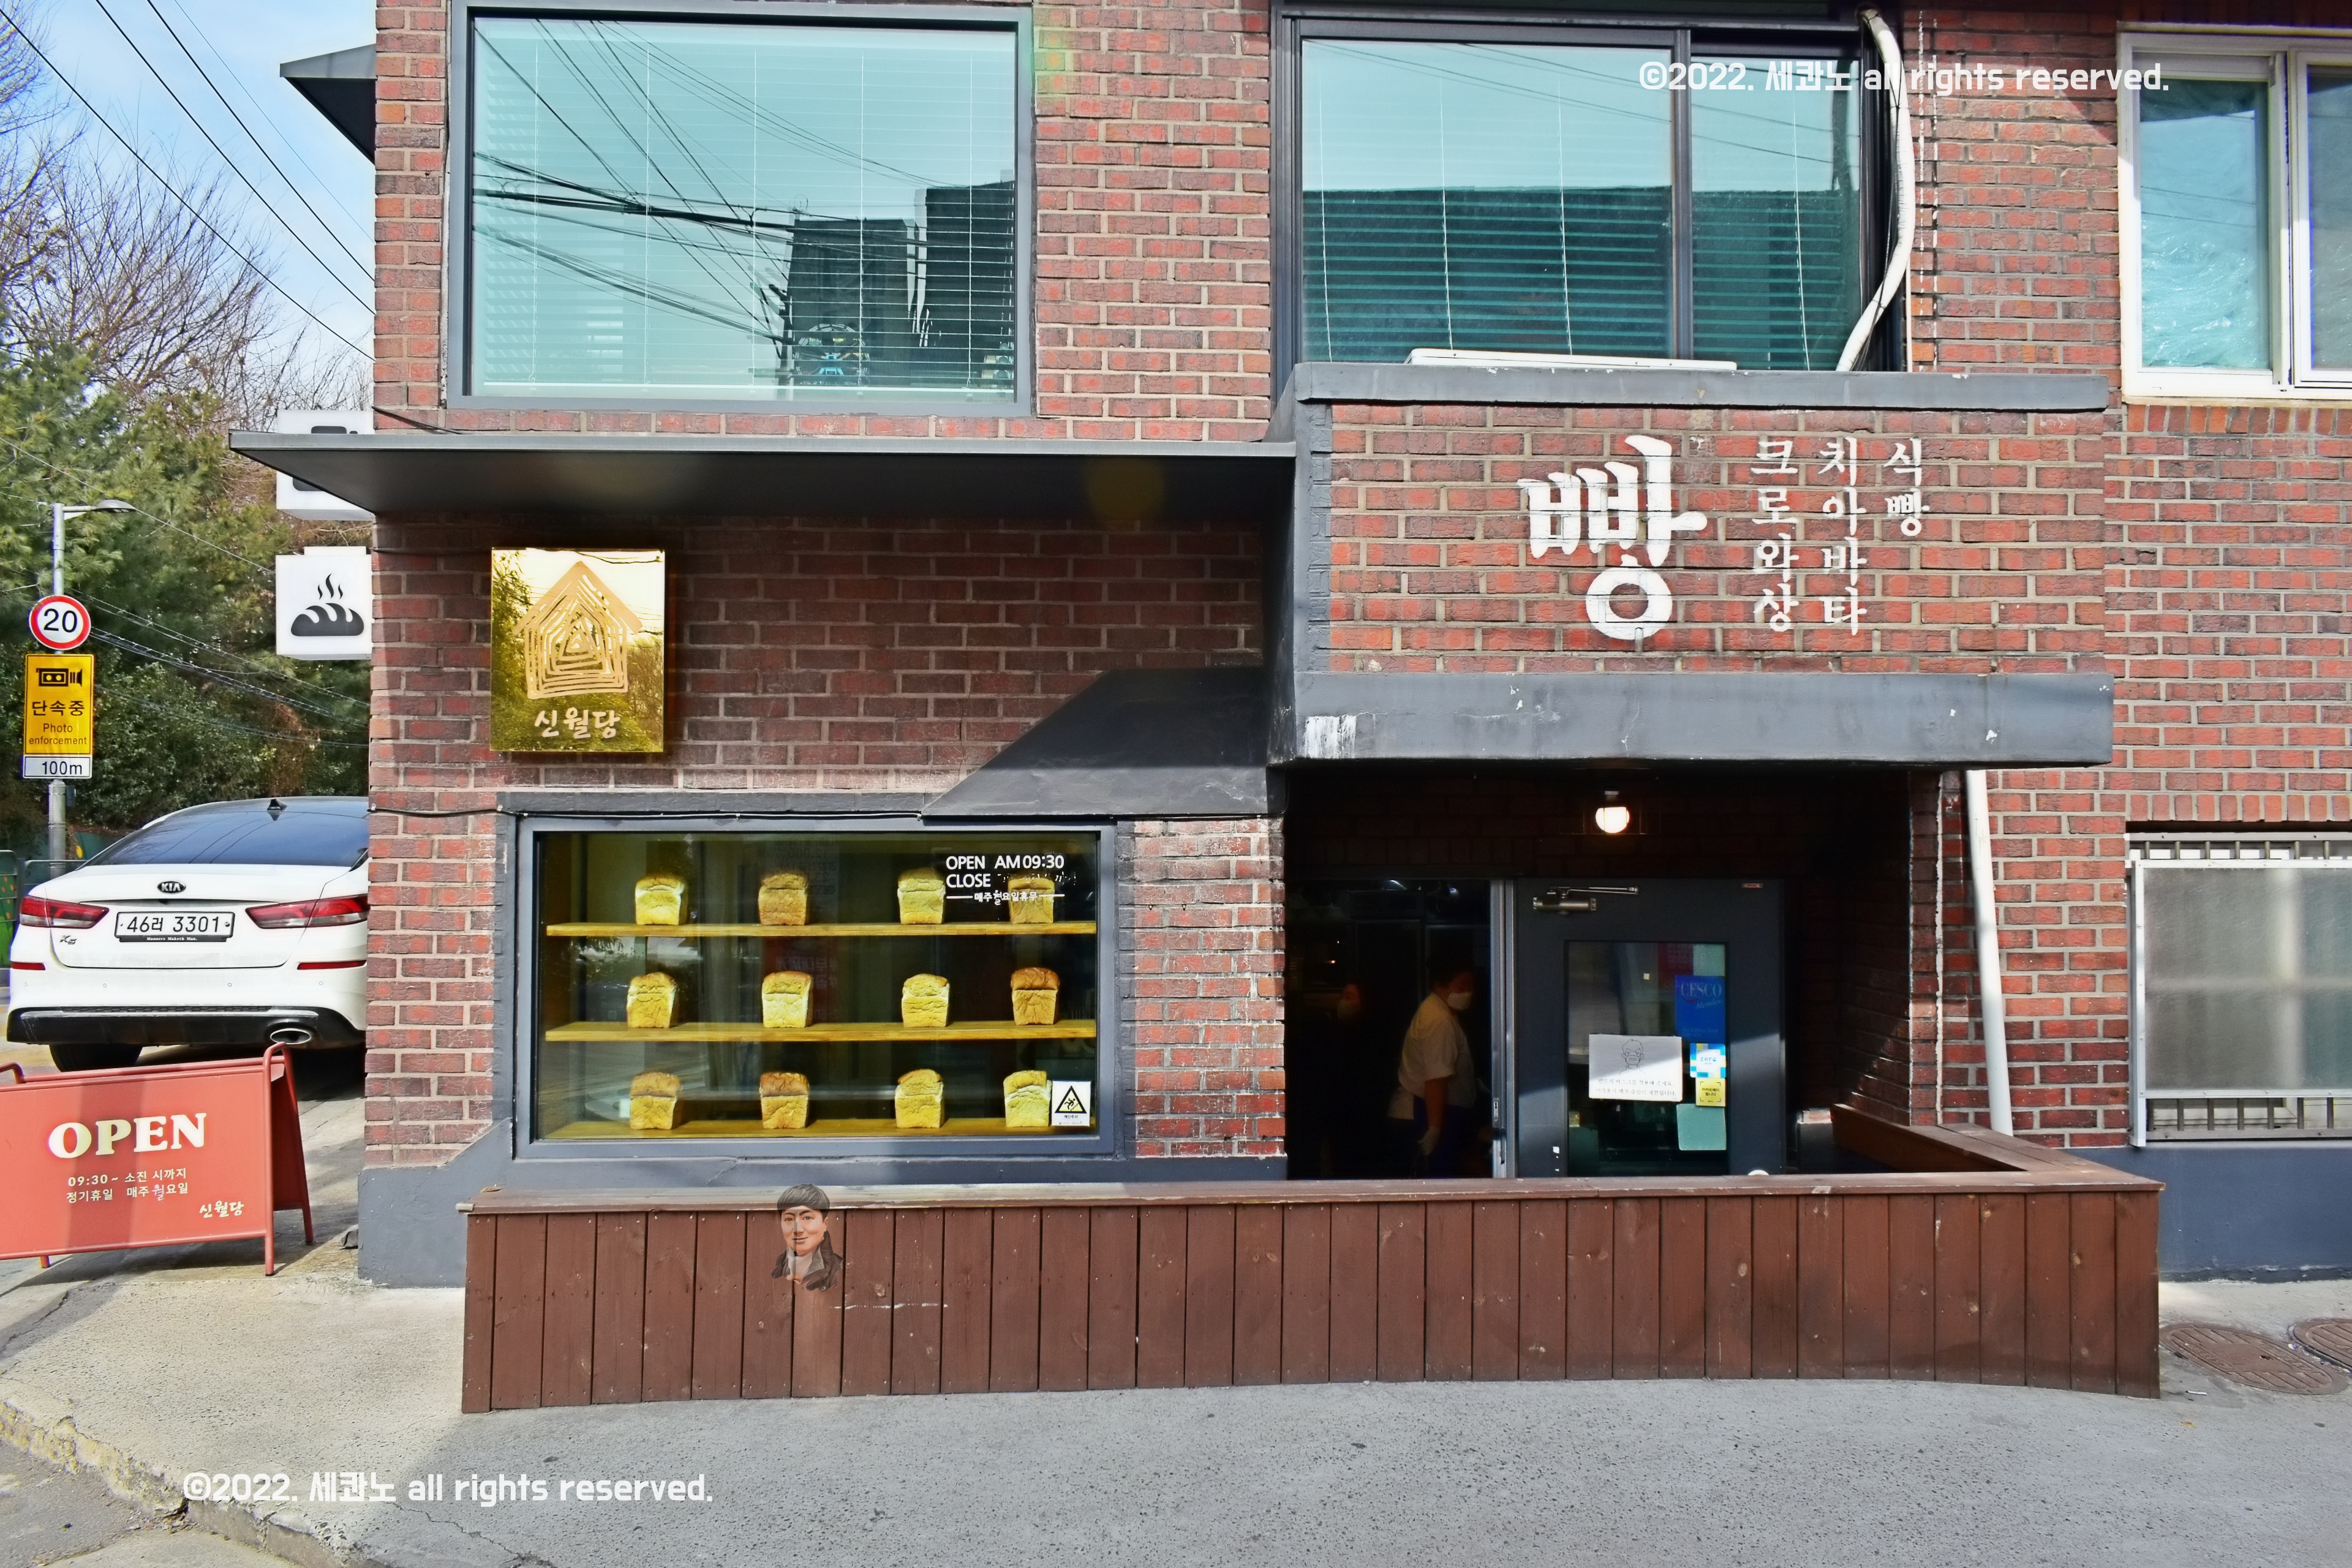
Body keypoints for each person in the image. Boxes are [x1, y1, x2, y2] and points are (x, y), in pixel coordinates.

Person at [1389, 960, 1479, 1177]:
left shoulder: (1439, 1012)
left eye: (1470, 987)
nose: (1467, 993)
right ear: (1440, 985)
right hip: (1423, 1115)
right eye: (1461, 986)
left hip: (1433, 1113)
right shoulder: (1439, 1020)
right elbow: (1435, 1079)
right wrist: (1435, 1129)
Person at [770, 1183, 842, 1291]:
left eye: (807, 1218)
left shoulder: (839, 1270)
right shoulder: (775, 1268)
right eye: (789, 1219)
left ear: (825, 1224)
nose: (798, 1229)